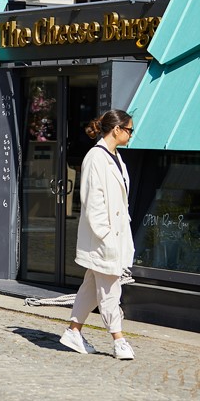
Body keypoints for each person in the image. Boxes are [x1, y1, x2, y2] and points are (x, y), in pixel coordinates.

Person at [59, 109, 136, 360]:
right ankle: (118, 338)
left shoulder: (116, 157)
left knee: (92, 287)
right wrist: (106, 236)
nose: (131, 134)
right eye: (129, 130)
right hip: (104, 237)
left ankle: (73, 330)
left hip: (115, 235)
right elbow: (93, 203)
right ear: (117, 129)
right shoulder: (96, 157)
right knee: (110, 289)